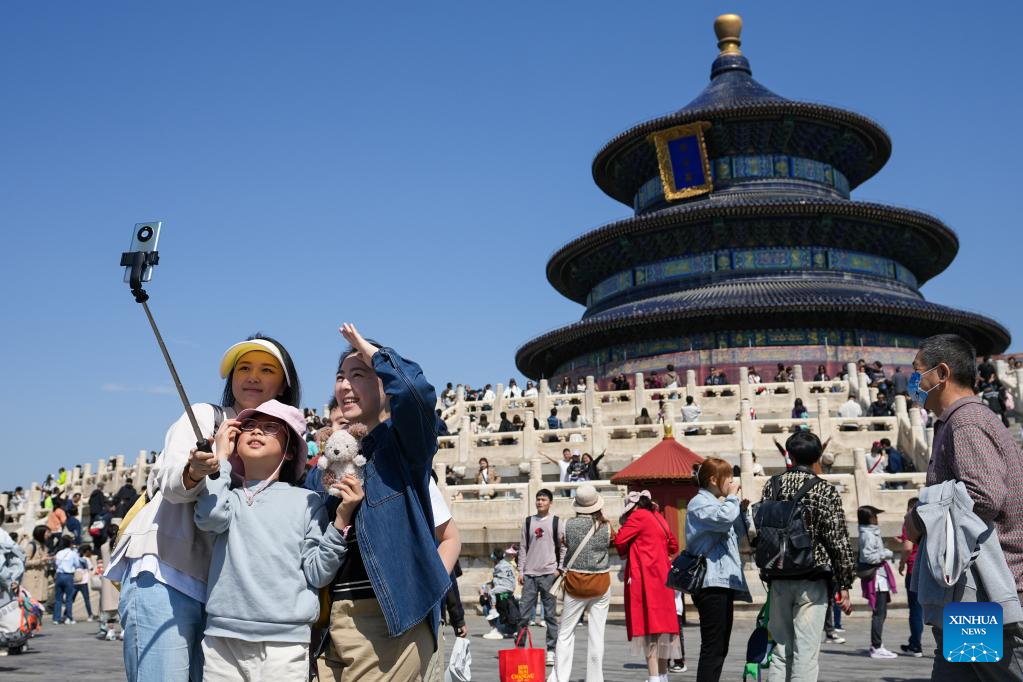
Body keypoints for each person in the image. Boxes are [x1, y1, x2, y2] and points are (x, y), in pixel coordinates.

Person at [107, 333, 302, 682]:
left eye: (266, 369)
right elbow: (169, 482)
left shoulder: (281, 441)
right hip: (165, 574)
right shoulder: (205, 417)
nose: (252, 376)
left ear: (284, 384)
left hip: (224, 601)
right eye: (243, 368)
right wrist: (196, 469)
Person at [315, 325, 451, 681]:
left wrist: (372, 351)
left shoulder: (402, 449)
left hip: (390, 621)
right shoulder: (330, 464)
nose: (345, 385)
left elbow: (416, 394)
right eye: (340, 376)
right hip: (333, 621)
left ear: (384, 385)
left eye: (358, 375)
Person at [193, 399, 350, 680]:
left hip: (285, 642)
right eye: (249, 426)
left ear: (290, 451)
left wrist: (340, 521)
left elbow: (318, 572)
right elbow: (210, 517)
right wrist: (221, 459)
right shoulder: (227, 495)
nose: (256, 432)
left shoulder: (307, 500)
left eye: (270, 428)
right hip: (223, 638)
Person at [903, 333, 1023, 678]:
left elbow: (983, 495)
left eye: (917, 372)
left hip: (984, 598)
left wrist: (918, 519)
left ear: (941, 374)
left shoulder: (967, 422)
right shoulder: (958, 422)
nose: (914, 381)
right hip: (968, 598)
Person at [758, 431, 855, 682]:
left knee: (780, 649)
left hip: (778, 574)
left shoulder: (773, 485)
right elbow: (838, 540)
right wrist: (845, 582)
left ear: (789, 455)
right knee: (806, 652)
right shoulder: (824, 490)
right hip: (812, 577)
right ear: (818, 456)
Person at [686, 457, 752, 682]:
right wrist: (732, 498)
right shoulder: (699, 502)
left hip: (723, 581)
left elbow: (740, 536)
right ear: (714, 480)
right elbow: (723, 518)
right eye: (729, 478)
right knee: (713, 647)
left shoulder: (721, 503)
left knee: (721, 646)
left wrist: (741, 511)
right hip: (710, 582)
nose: (732, 482)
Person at [547, 484, 614, 682]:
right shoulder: (607, 526)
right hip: (600, 582)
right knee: (596, 634)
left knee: (566, 633)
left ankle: (560, 677)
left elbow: (564, 543)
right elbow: (614, 543)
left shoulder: (567, 525)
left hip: (575, 582)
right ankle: (595, 678)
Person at [615, 490, 681, 682]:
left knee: (648, 629)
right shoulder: (658, 516)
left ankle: (653, 677)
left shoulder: (638, 516)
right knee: (662, 630)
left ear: (634, 507)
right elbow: (673, 547)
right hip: (663, 578)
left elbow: (619, 540)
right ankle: (662, 676)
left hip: (645, 578)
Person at [517, 489, 564, 664]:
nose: (540, 502)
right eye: (538, 499)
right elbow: (523, 547)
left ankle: (551, 650)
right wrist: (521, 570)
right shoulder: (528, 522)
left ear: (550, 502)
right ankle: (520, 647)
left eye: (543, 499)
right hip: (530, 574)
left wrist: (560, 569)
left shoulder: (556, 522)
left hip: (548, 574)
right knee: (523, 614)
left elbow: (564, 546)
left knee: (550, 615)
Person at [857, 505, 897, 658]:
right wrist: (885, 554)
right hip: (876, 578)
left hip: (880, 576)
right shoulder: (867, 535)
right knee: (878, 613)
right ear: (869, 518)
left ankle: (878, 644)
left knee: (882, 612)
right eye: (875, 516)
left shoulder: (871, 533)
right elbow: (867, 557)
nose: (877, 518)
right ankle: (876, 646)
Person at [897, 498, 923, 657]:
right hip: (929, 571)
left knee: (915, 610)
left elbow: (907, 548)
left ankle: (915, 645)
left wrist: (901, 563)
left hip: (914, 570)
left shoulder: (909, 521)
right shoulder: (927, 521)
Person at [483, 547, 519, 640]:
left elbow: (496, 582)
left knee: (485, 602)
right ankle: (506, 630)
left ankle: (497, 630)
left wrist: (486, 589)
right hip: (510, 592)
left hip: (504, 625)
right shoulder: (508, 564)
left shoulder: (498, 567)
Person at [53, 537, 87, 624]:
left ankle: (56, 618)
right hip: (68, 576)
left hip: (59, 575)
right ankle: (69, 617)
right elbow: (77, 564)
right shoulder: (73, 553)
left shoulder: (59, 553)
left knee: (58, 598)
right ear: (70, 544)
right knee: (69, 598)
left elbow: (56, 564)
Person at [98, 523, 123, 641]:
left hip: (107, 579)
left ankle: (110, 631)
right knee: (121, 605)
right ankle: (123, 630)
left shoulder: (103, 546)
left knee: (109, 607)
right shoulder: (121, 543)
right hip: (119, 577)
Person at [16, 525, 49, 605]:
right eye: (47, 532)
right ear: (41, 534)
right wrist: (40, 561)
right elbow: (25, 562)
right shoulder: (31, 546)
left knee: (39, 609)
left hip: (42, 582)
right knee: (31, 609)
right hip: (32, 583)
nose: (49, 534)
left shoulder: (44, 546)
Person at [72, 546, 96, 622]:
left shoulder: (75, 558)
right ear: (86, 551)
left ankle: (67, 615)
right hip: (83, 582)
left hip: (75, 582)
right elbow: (91, 568)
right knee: (86, 599)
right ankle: (90, 615)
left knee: (71, 599)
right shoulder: (86, 560)